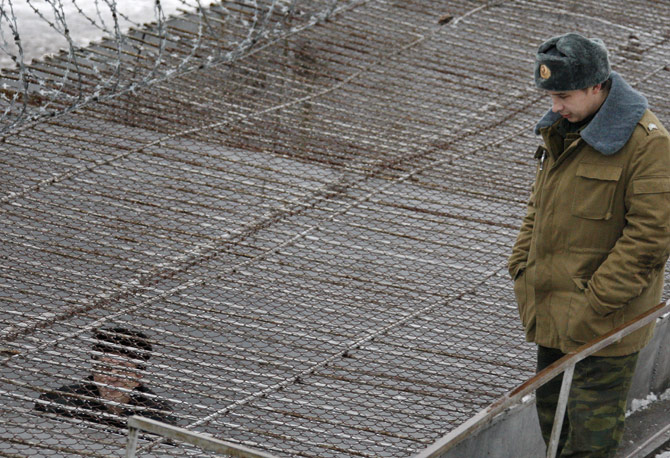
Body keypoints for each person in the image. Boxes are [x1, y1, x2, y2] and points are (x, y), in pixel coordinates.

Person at [509, 32, 670, 457]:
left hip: (604, 325)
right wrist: (521, 264)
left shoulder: (647, 145)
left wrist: (594, 303)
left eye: (563, 94)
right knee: (554, 428)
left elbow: (650, 241)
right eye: (549, 95)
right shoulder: (563, 129)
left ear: (596, 86)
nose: (554, 106)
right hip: (552, 311)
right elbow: (539, 207)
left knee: (590, 445)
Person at [36, 327, 175, 428]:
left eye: (122, 370)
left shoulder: (157, 415)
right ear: (94, 372)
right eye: (105, 368)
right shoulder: (61, 403)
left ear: (138, 376)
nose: (112, 378)